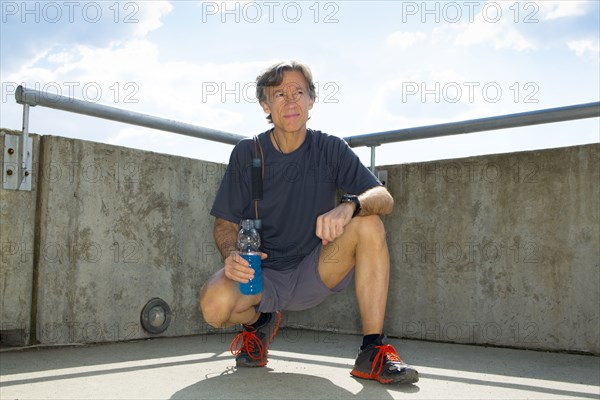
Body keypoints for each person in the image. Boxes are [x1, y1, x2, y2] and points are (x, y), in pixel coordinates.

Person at [199, 61, 419, 385]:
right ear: (266, 105)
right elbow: (225, 223)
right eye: (279, 94)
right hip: (263, 275)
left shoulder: (329, 148)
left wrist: (351, 205)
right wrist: (231, 254)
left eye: (298, 92)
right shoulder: (248, 153)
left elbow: (383, 197)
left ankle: (372, 351)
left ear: (311, 100)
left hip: (317, 267)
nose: (290, 102)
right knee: (213, 306)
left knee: (369, 223)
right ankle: (259, 325)